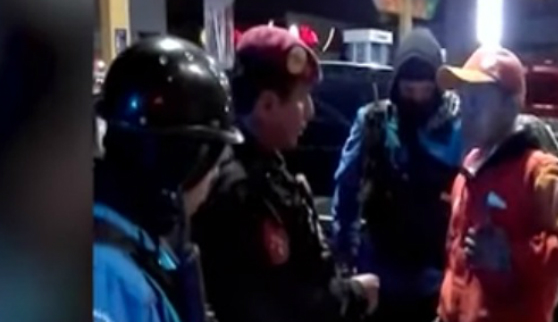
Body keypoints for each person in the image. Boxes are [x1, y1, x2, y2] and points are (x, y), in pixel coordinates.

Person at [192, 25, 379, 322]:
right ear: (267, 105)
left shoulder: (265, 168)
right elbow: (282, 307)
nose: (311, 112)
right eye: (302, 98)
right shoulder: (241, 190)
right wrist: (354, 294)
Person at [435, 46, 558, 322]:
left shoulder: (539, 174)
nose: (464, 111)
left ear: (511, 106)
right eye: (462, 99)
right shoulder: (468, 170)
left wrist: (515, 255)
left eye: (476, 100)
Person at [93, 36, 243, 322]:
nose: (215, 175)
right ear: (184, 162)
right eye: (213, 160)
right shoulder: (109, 277)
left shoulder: (141, 241)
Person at [332, 28, 463, 322]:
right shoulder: (374, 122)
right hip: (380, 281)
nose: (417, 99)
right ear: (396, 86)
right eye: (408, 91)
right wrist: (344, 259)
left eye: (425, 92)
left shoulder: (457, 129)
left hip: (436, 282)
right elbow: (346, 190)